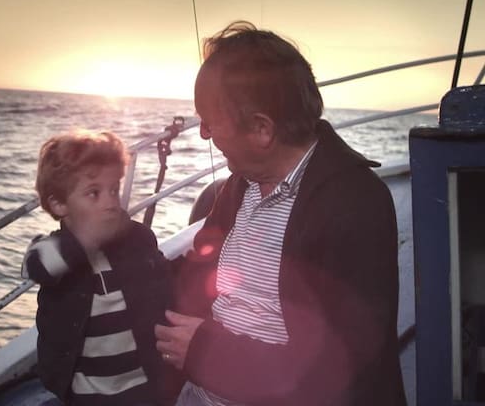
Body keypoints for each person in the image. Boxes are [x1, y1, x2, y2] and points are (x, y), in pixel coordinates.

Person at [154, 21, 406, 405]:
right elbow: (199, 271)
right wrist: (127, 262)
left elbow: (339, 370)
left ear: (261, 130)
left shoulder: (355, 204)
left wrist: (205, 352)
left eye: (209, 121)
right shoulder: (241, 184)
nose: (204, 134)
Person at [23, 130, 175, 406]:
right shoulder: (52, 250)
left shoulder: (137, 238)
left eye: (113, 190)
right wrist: (87, 240)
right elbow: (36, 267)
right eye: (94, 193)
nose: (110, 202)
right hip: (86, 394)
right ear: (59, 204)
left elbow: (166, 287)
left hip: (145, 385)